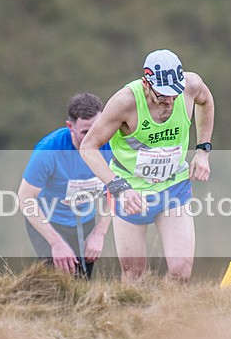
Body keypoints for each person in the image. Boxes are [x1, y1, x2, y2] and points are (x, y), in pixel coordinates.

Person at [80, 49, 214, 282]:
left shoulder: (191, 85)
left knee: (181, 271)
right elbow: (88, 147)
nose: (169, 101)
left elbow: (207, 102)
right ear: (146, 84)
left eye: (174, 93)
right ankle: (133, 317)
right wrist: (118, 187)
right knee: (134, 275)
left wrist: (203, 150)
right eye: (162, 95)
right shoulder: (124, 102)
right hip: (131, 194)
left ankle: (168, 318)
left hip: (173, 188)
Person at [18, 93, 112, 279]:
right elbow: (25, 198)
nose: (93, 138)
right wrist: (55, 243)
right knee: (56, 280)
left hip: (84, 220)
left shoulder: (110, 145)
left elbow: (114, 191)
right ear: (70, 127)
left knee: (81, 282)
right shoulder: (49, 150)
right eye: (85, 132)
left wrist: (99, 233)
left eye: (97, 129)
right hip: (48, 221)